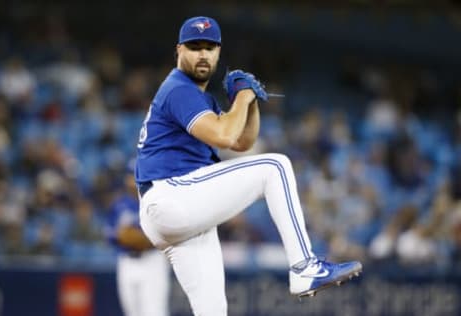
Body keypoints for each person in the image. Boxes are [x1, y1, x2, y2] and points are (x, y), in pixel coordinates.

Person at [135, 16, 362, 316]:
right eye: (194, 47)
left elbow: (241, 142)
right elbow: (225, 133)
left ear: (218, 52)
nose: (202, 54)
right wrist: (242, 94)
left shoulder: (199, 99)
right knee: (275, 166)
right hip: (171, 196)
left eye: (209, 47)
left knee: (213, 311)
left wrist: (251, 102)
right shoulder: (179, 89)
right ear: (178, 51)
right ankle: (304, 267)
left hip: (178, 213)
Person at [106, 165, 170, 316]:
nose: (133, 180)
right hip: (127, 261)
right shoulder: (119, 205)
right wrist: (123, 237)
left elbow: (165, 234)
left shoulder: (158, 202)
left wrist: (140, 239)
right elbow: (109, 233)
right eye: (131, 176)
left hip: (152, 261)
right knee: (132, 312)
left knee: (155, 312)